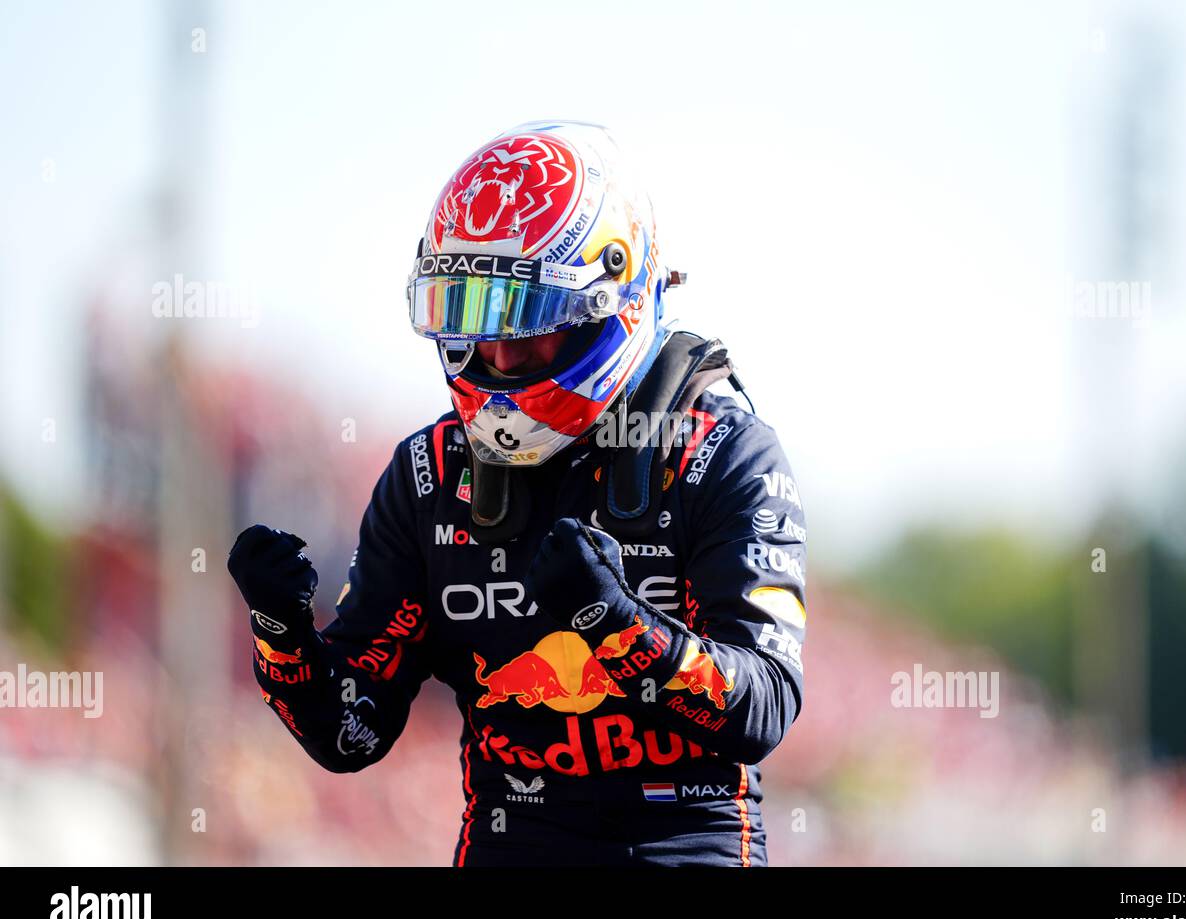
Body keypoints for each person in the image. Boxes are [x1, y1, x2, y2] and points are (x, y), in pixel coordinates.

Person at [227, 121, 808, 866]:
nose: (498, 357)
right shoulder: (427, 477)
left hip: (686, 847)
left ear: (613, 301)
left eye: (529, 323)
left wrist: (614, 621)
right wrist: (284, 635)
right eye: (474, 318)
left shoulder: (726, 454)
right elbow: (351, 735)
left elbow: (761, 708)